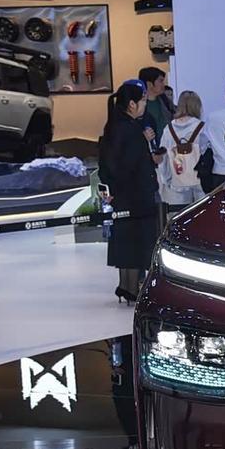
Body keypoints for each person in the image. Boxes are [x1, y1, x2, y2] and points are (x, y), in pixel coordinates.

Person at [99, 81, 159, 302]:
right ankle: (132, 289)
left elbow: (109, 162)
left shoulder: (115, 125)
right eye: (142, 100)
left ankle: (126, 286)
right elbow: (130, 163)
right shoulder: (131, 129)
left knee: (125, 241)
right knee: (136, 242)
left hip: (122, 194)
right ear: (132, 104)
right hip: (136, 194)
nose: (145, 104)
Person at [159, 90, 214, 220]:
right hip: (199, 184)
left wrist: (167, 180)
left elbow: (163, 159)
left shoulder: (168, 129)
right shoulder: (202, 128)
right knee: (202, 220)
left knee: (178, 221)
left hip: (176, 185)